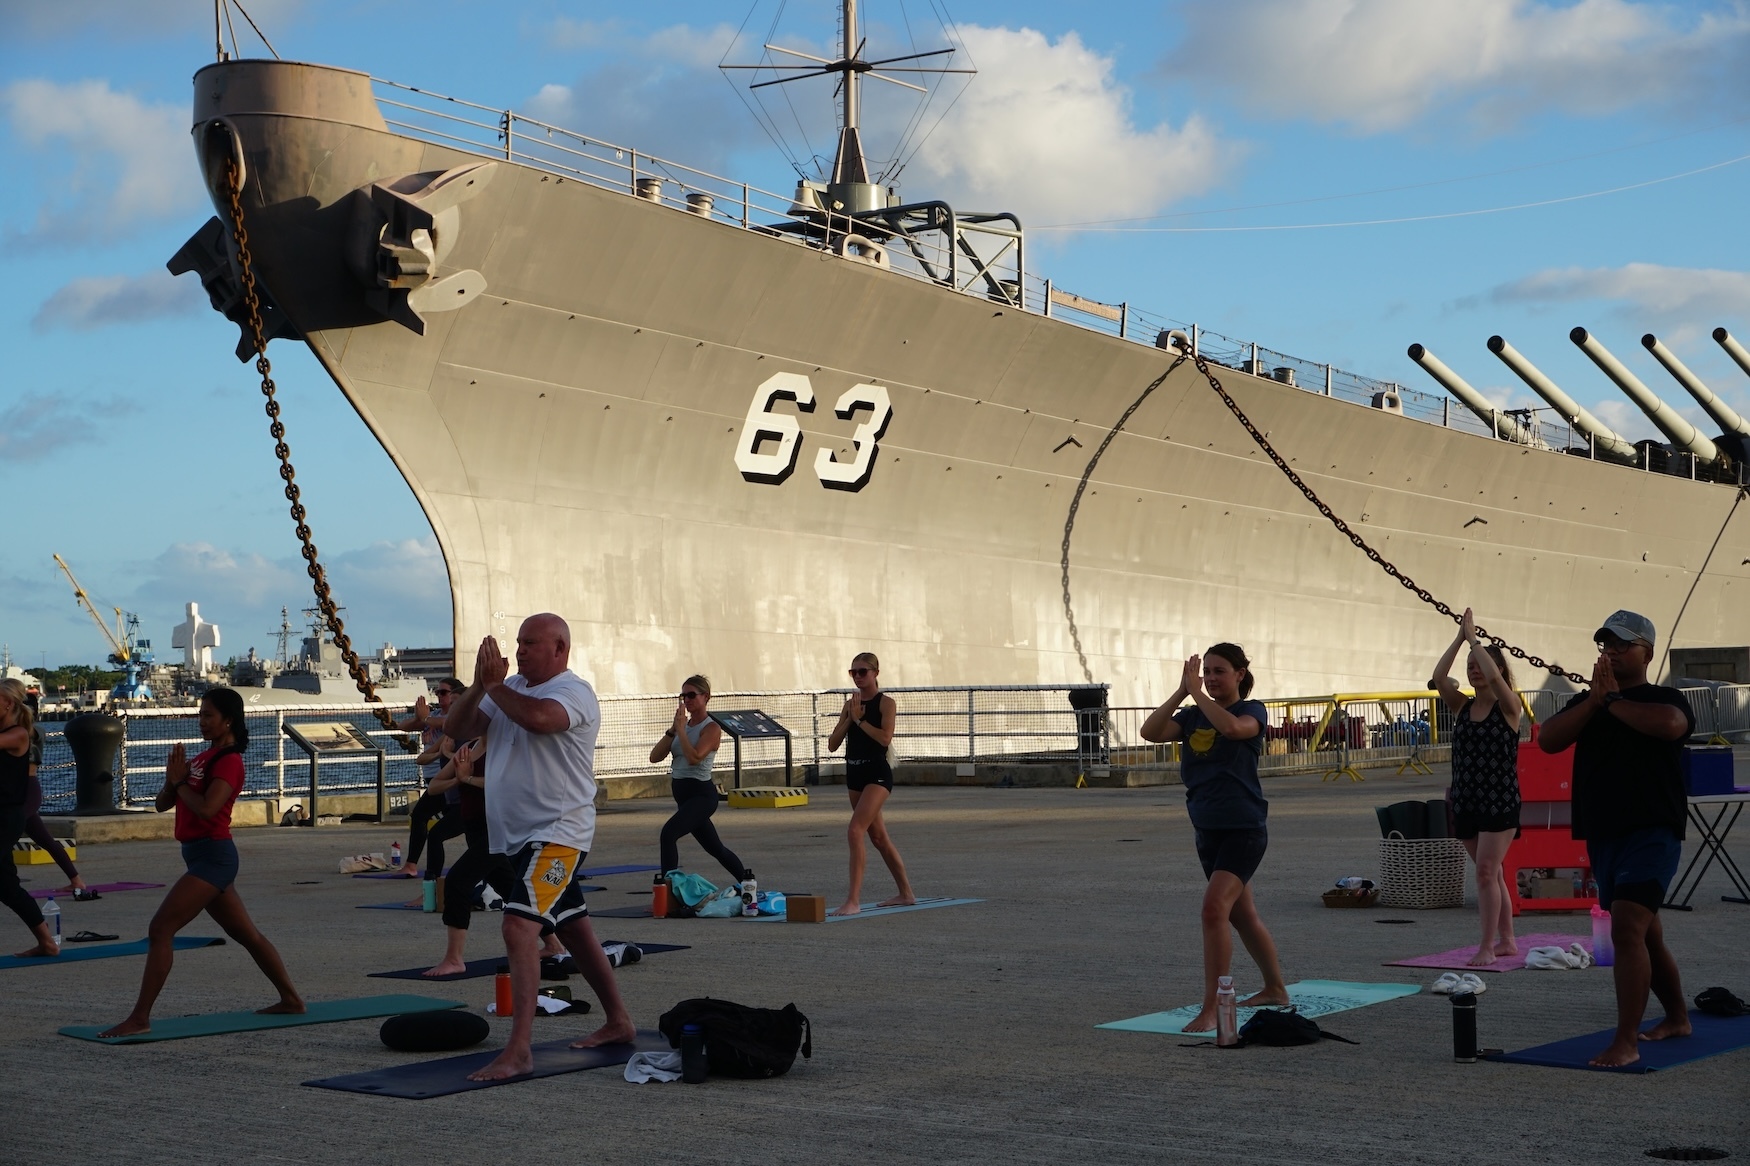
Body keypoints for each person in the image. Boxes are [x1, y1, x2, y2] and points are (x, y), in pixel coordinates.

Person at [443, 614, 634, 1079]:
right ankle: (619, 1022)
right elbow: (458, 727)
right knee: (575, 930)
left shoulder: (573, 691)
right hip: (520, 837)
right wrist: (477, 686)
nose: (520, 650)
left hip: (559, 834)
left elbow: (542, 721)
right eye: (518, 642)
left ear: (560, 649)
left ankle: (520, 1050)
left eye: (531, 643)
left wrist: (496, 686)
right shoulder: (509, 688)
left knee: (517, 928)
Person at [97, 688, 303, 1036]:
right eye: (201, 715)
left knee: (161, 929)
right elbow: (164, 804)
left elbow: (207, 809)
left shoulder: (229, 761)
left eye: (209, 715)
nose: (202, 722)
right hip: (199, 857)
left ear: (228, 720)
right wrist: (171, 781)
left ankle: (140, 1018)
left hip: (214, 857)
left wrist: (180, 783)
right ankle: (292, 1000)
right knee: (247, 935)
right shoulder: (203, 758)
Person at [1538, 610, 1693, 1068]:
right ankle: (1679, 1017)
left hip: (1653, 831)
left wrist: (1610, 703)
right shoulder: (1589, 704)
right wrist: (1594, 701)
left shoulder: (1663, 697)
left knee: (1627, 927)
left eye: (1622, 644)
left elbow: (1670, 725)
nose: (1611, 650)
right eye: (1606, 643)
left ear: (1647, 651)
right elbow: (1548, 740)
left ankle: (1626, 1041)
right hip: (1605, 836)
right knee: (1647, 934)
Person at [1139, 644, 1289, 1031]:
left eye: (1219, 671)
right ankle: (1275, 988)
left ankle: (1212, 1007)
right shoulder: (1191, 716)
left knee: (1212, 910)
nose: (1210, 678)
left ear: (1240, 674)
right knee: (1242, 915)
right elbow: (1151, 732)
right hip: (1207, 829)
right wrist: (1182, 691)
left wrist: (1199, 695)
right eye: (1206, 671)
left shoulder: (1250, 711)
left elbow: (1232, 730)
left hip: (1244, 827)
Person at [1431, 608, 1522, 966]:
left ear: (1496, 671)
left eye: (1479, 663)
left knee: (1485, 872)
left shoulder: (1509, 707)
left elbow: (1501, 686)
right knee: (1492, 872)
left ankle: (1487, 946)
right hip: (1466, 800)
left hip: (1499, 801)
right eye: (1469, 664)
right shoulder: (1463, 707)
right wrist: (1460, 640)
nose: (1472, 668)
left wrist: (1475, 640)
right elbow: (1440, 678)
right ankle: (1508, 939)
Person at [825, 652, 915, 916]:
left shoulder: (886, 703)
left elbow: (885, 738)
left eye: (862, 671)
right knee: (878, 837)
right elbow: (832, 745)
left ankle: (853, 900)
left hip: (877, 774)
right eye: (853, 672)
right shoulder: (850, 704)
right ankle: (906, 893)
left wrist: (861, 721)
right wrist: (850, 719)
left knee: (855, 830)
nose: (857, 677)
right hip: (854, 773)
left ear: (876, 673)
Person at [649, 675, 754, 884]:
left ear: (705, 697)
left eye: (691, 695)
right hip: (683, 797)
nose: (686, 700)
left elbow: (694, 757)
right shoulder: (680, 727)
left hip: (702, 795)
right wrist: (672, 730)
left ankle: (668, 892)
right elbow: (655, 757)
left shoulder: (711, 728)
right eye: (683, 696)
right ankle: (747, 882)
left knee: (668, 834)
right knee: (716, 848)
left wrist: (681, 731)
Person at [423, 737, 493, 977]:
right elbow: (434, 786)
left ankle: (454, 959)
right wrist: (458, 778)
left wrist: (468, 779)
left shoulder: (504, 746)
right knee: (510, 885)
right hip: (474, 827)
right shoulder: (469, 748)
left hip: (500, 828)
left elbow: (509, 784)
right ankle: (554, 943)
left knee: (456, 882)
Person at [0, 679, 58, 958]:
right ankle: (47, 943)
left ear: (8, 704)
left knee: (6, 885)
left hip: (6, 817)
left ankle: (47, 943)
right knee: (7, 886)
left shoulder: (19, 734)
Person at [18, 689, 91, 897]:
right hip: (15, 791)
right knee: (45, 839)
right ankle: (76, 880)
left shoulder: (32, 732)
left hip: (27, 789)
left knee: (9, 831)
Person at [398, 678, 462, 892]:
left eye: (444, 693)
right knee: (435, 826)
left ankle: (414, 867)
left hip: (448, 781)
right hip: (437, 781)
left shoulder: (456, 720)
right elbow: (404, 726)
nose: (439, 696)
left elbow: (445, 724)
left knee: (422, 818)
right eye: (438, 692)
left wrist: (425, 719)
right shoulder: (434, 717)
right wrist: (421, 718)